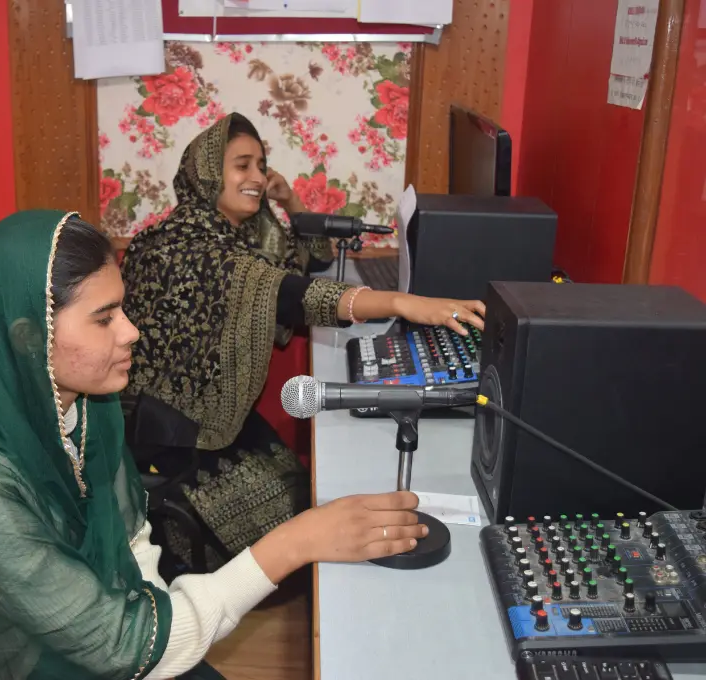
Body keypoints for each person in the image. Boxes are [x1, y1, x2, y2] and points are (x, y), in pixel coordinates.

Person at [0, 209, 429, 680]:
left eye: (122, 308)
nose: (132, 331)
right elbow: (124, 648)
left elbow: (130, 547)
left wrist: (161, 621)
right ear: (29, 339)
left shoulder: (84, 405)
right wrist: (295, 543)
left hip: (68, 639)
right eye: (104, 319)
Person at [121, 113, 485, 573]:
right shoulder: (182, 247)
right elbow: (290, 292)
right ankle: (174, 560)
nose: (256, 177)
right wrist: (403, 303)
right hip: (167, 431)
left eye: (262, 164)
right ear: (208, 173)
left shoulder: (227, 235)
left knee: (312, 500)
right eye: (242, 165)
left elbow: (307, 258)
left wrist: (289, 199)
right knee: (310, 528)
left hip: (200, 419)